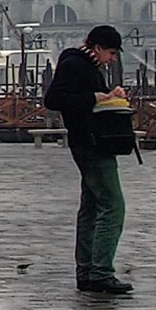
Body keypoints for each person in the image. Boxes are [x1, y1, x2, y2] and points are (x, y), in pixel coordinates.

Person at [45, 24, 132, 295]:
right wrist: (93, 97)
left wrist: (110, 96)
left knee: (92, 206)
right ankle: (101, 271)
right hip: (92, 143)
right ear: (98, 47)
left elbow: (93, 99)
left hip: (88, 141)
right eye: (111, 53)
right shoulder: (75, 64)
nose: (112, 59)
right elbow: (53, 98)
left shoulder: (87, 65)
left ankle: (86, 271)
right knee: (113, 206)